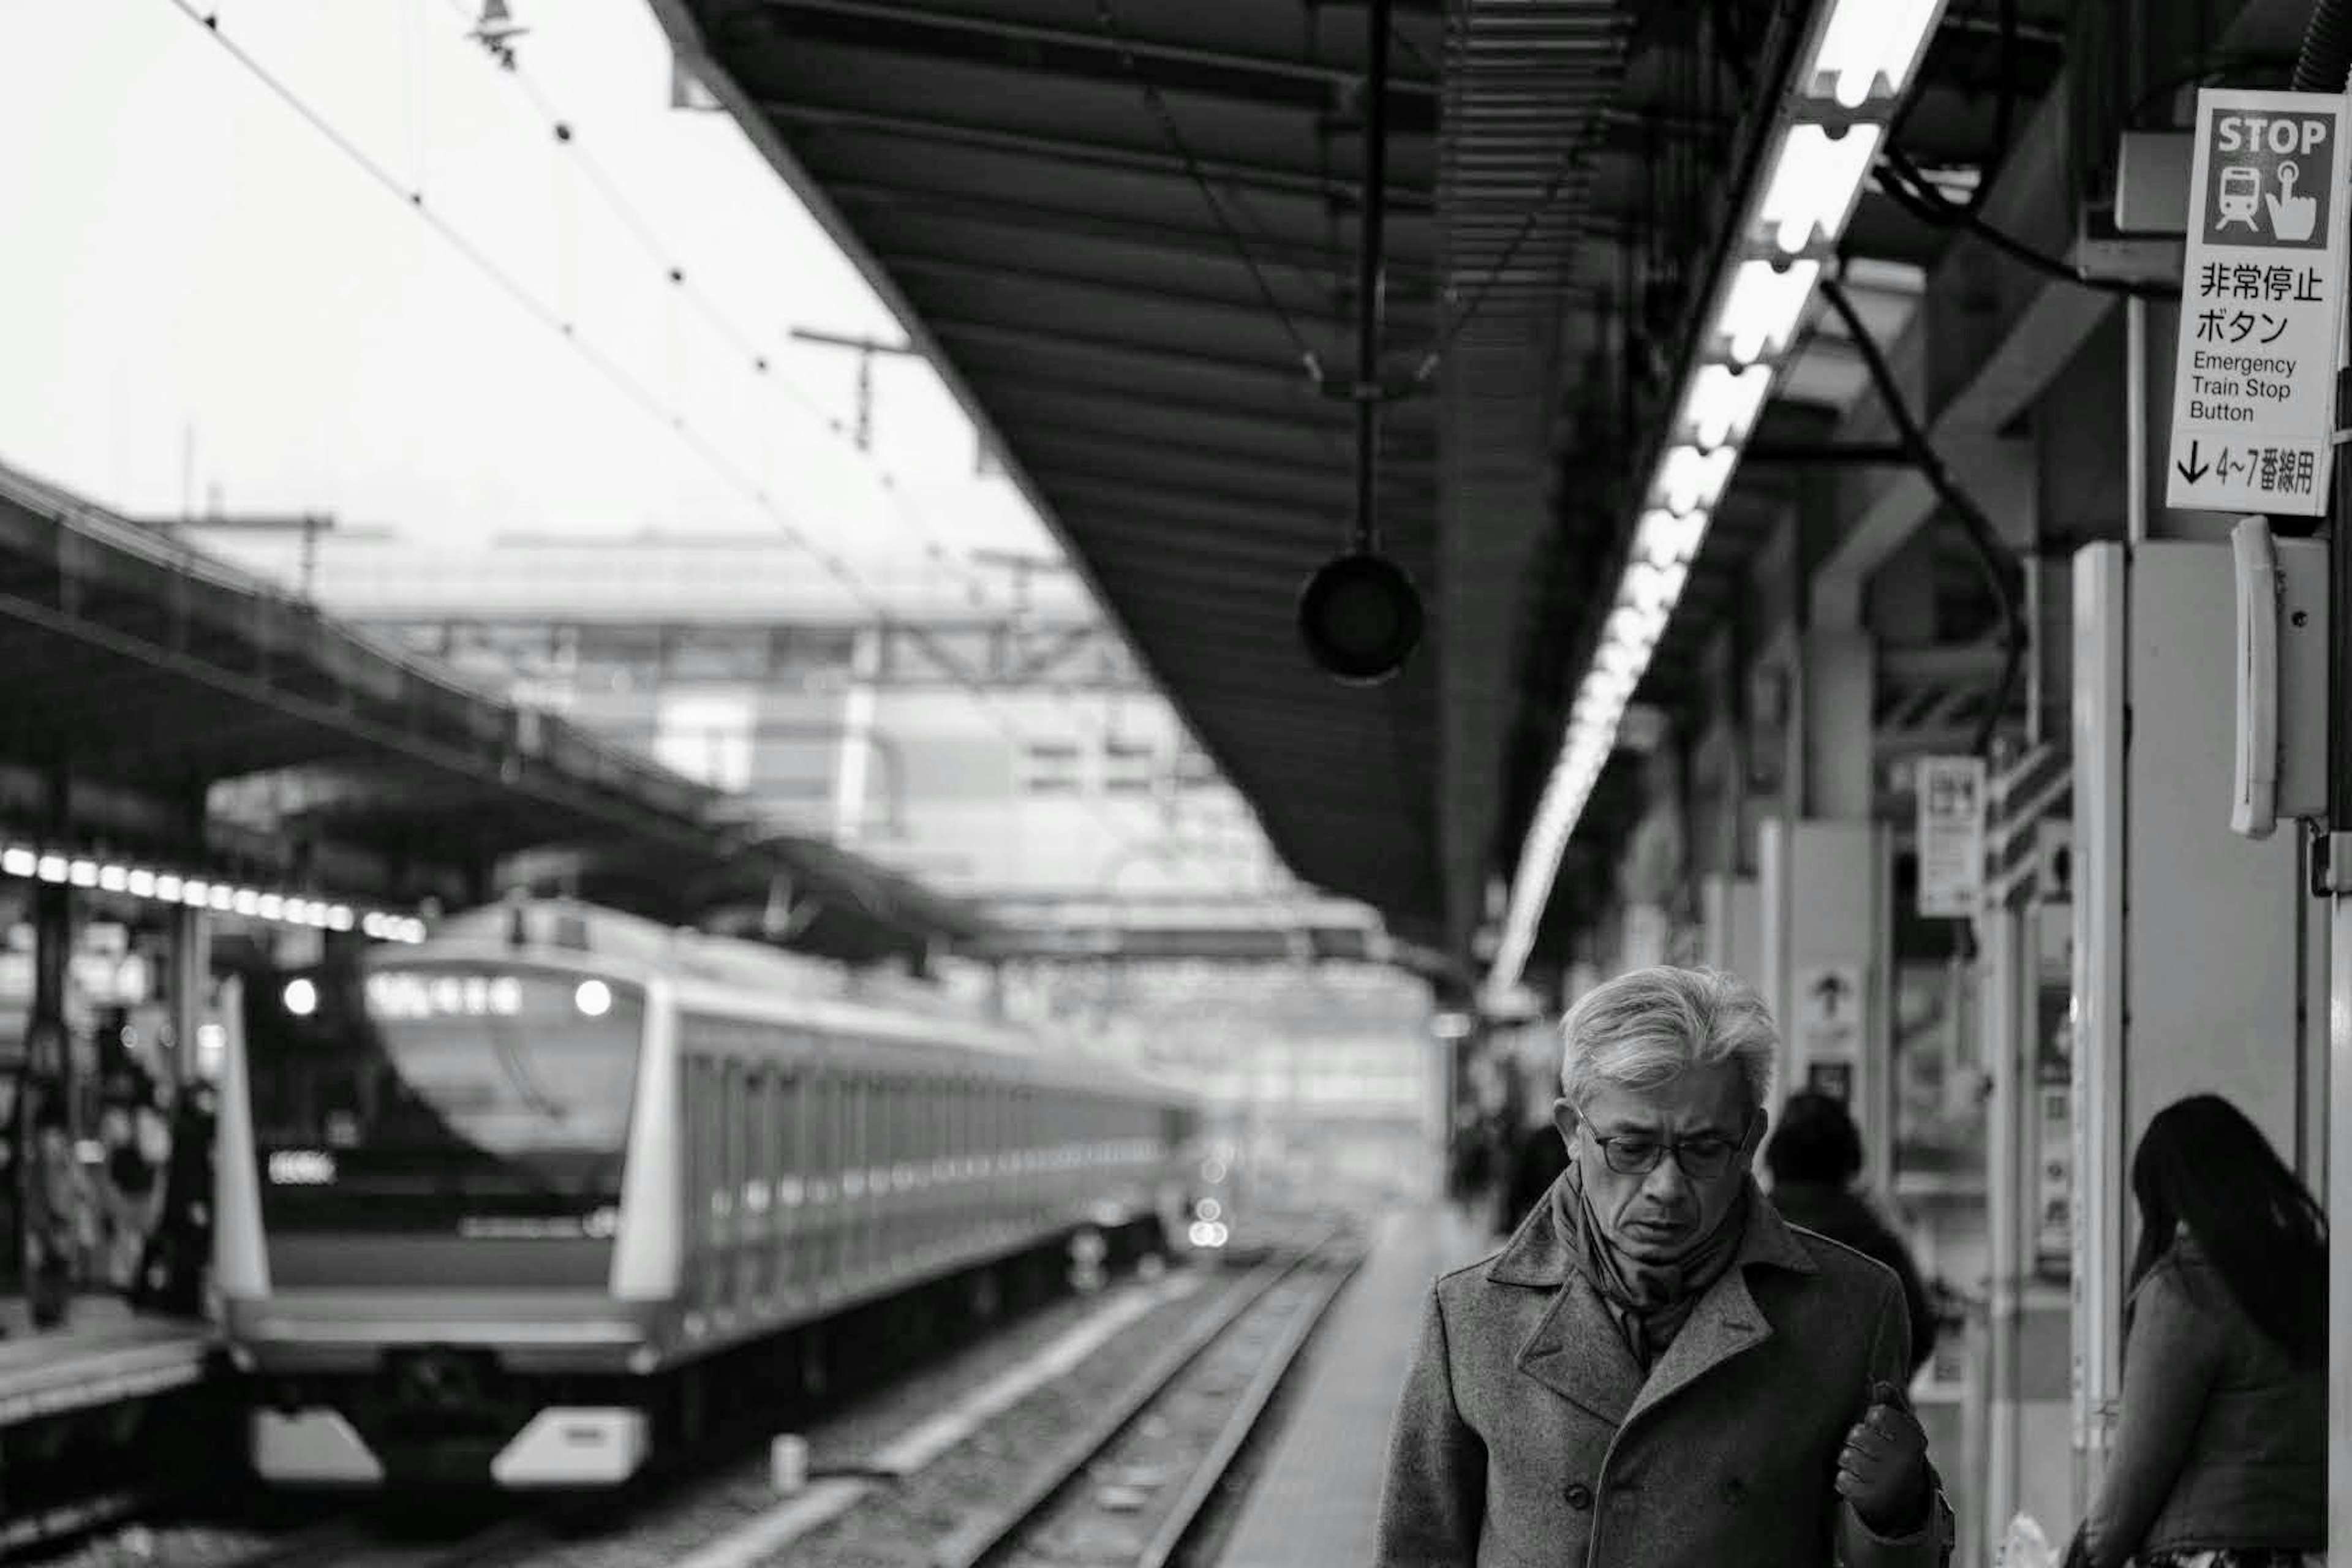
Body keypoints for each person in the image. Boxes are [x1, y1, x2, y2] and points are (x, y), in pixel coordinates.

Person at [1375, 965, 1954, 1567]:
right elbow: (1419, 1551)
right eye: (1631, 1147)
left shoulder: (1850, 1309)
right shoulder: (1472, 1316)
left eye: (1704, 1148)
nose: (1667, 1187)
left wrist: (1896, 1510)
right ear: (1573, 1131)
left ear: (1751, 1138)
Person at [2065, 1093, 2326, 1568]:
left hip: (2213, 1553)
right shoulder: (2321, 1274)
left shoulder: (2184, 1290)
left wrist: (2083, 1557)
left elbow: (2133, 1482)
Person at [1763, 1089, 1938, 1379]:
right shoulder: (1877, 1245)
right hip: (1861, 1417)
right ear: (1850, 1160)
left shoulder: (1742, 1236)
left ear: (1774, 1158)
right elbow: (1918, 1338)